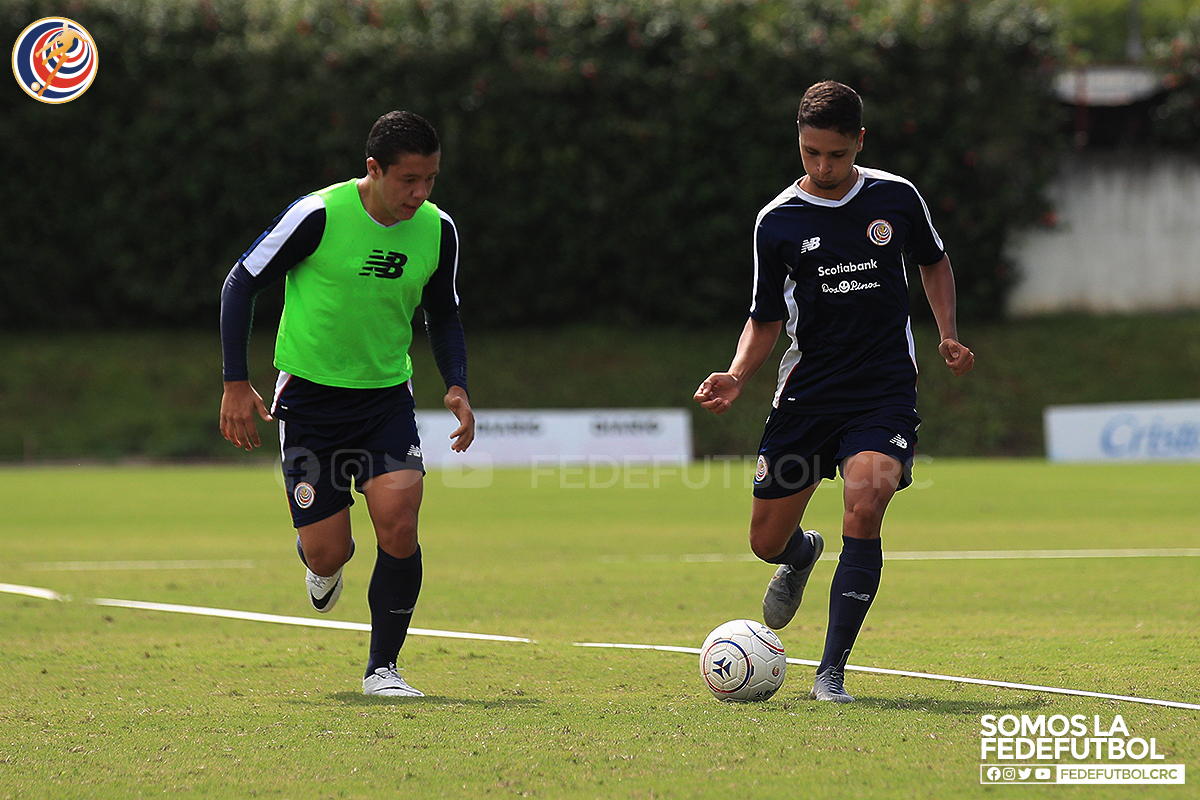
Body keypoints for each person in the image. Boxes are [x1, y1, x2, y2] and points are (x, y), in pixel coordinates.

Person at [694, 81, 974, 702]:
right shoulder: (778, 221)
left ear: (859, 143)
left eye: (836, 155)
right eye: (810, 153)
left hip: (883, 391)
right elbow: (766, 317)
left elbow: (934, 260)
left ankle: (831, 674)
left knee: (865, 505)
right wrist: (738, 374)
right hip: (806, 398)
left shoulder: (896, 198)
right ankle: (802, 554)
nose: (823, 167)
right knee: (765, 542)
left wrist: (948, 334)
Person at [219, 110, 475, 697]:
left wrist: (457, 382)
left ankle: (382, 669)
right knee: (329, 550)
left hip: (386, 399)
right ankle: (321, 562)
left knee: (400, 522)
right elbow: (241, 281)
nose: (421, 193)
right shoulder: (318, 215)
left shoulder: (439, 230)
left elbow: (445, 311)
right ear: (373, 169)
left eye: (431, 179)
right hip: (309, 403)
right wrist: (236, 381)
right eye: (409, 179)